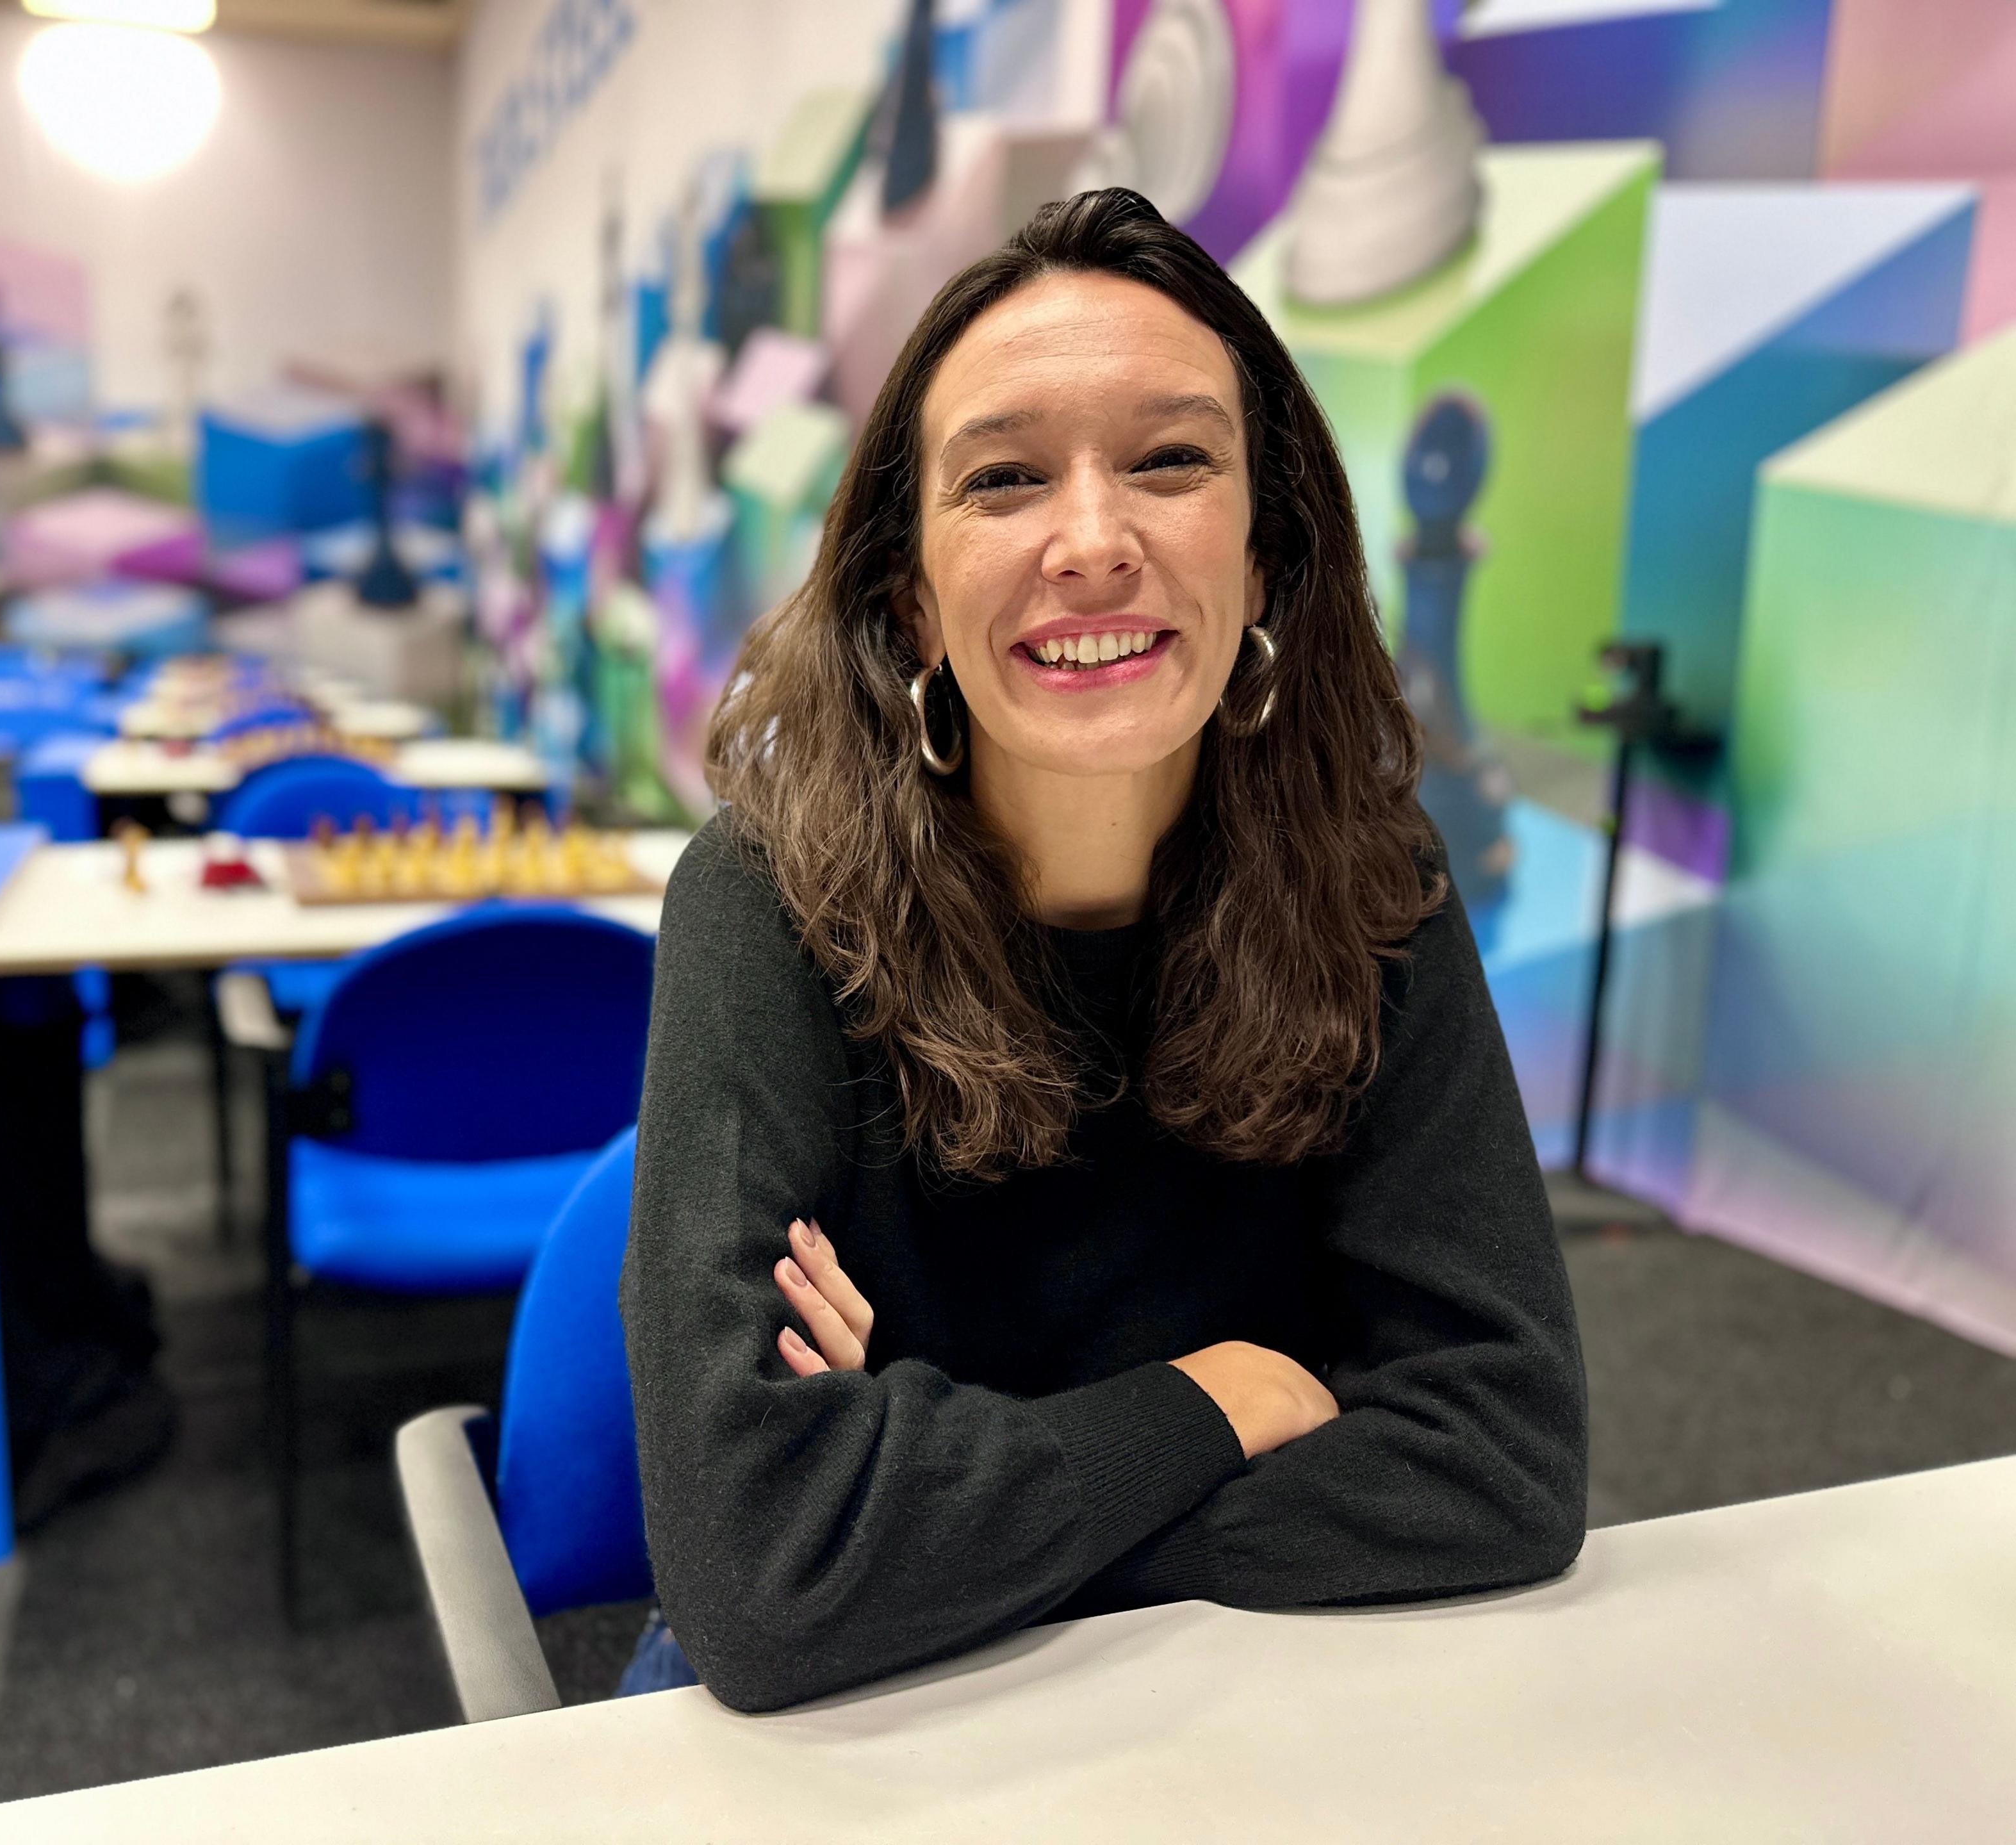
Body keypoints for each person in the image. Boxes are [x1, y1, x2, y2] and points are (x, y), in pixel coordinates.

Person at [618, 188, 1587, 1713]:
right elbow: (760, 1573)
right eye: (1003, 480)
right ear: (910, 600)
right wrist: (1215, 1401)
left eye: (1172, 460)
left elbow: (1502, 1458)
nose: (1091, 542)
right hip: (866, 1730)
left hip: (1222, 1691)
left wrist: (931, 1500)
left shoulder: (1372, 880)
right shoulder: (767, 900)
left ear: (1266, 560)